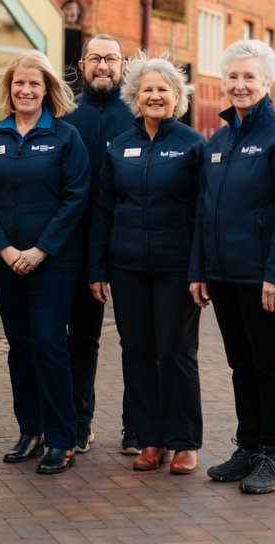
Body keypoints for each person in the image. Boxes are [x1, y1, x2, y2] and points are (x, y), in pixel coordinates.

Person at [190, 39, 275, 495]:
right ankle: (249, 445)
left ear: (267, 82)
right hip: (225, 276)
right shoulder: (218, 141)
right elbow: (205, 210)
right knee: (242, 364)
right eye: (233, 77)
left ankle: (274, 456)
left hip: (271, 279)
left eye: (249, 77)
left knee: (272, 364)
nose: (240, 85)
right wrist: (200, 270)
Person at [0, 51, 91, 475]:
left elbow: (76, 197)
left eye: (34, 84)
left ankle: (61, 438)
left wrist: (41, 250)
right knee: (20, 345)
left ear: (48, 90)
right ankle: (30, 430)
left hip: (53, 262)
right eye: (19, 83)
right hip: (4, 261)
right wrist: (2, 249)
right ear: (9, 88)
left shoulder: (65, 138)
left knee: (49, 343)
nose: (26, 90)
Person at [88, 55, 205, 475]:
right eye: (147, 89)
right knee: (136, 350)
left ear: (177, 97)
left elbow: (203, 213)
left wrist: (199, 271)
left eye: (163, 89)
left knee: (175, 352)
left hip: (177, 268)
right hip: (127, 267)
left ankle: (185, 441)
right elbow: (103, 209)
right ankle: (150, 439)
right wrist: (97, 269)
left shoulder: (193, 145)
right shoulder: (119, 147)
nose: (155, 96)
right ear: (134, 98)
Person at [62, 33, 134, 454]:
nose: (103, 65)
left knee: (137, 339)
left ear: (123, 65)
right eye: (95, 58)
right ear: (82, 65)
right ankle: (78, 422)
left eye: (111, 58)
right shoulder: (65, 112)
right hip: (75, 244)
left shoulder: (139, 112)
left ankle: (136, 427)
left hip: (126, 244)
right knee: (82, 338)